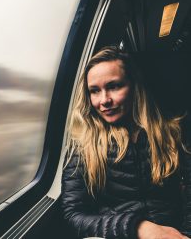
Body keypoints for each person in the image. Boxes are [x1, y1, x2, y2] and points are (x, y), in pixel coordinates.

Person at [61, 46, 191, 239]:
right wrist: (138, 228)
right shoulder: (83, 147)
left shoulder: (172, 134)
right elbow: (74, 215)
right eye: (94, 91)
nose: (104, 100)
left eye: (114, 86)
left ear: (134, 87)